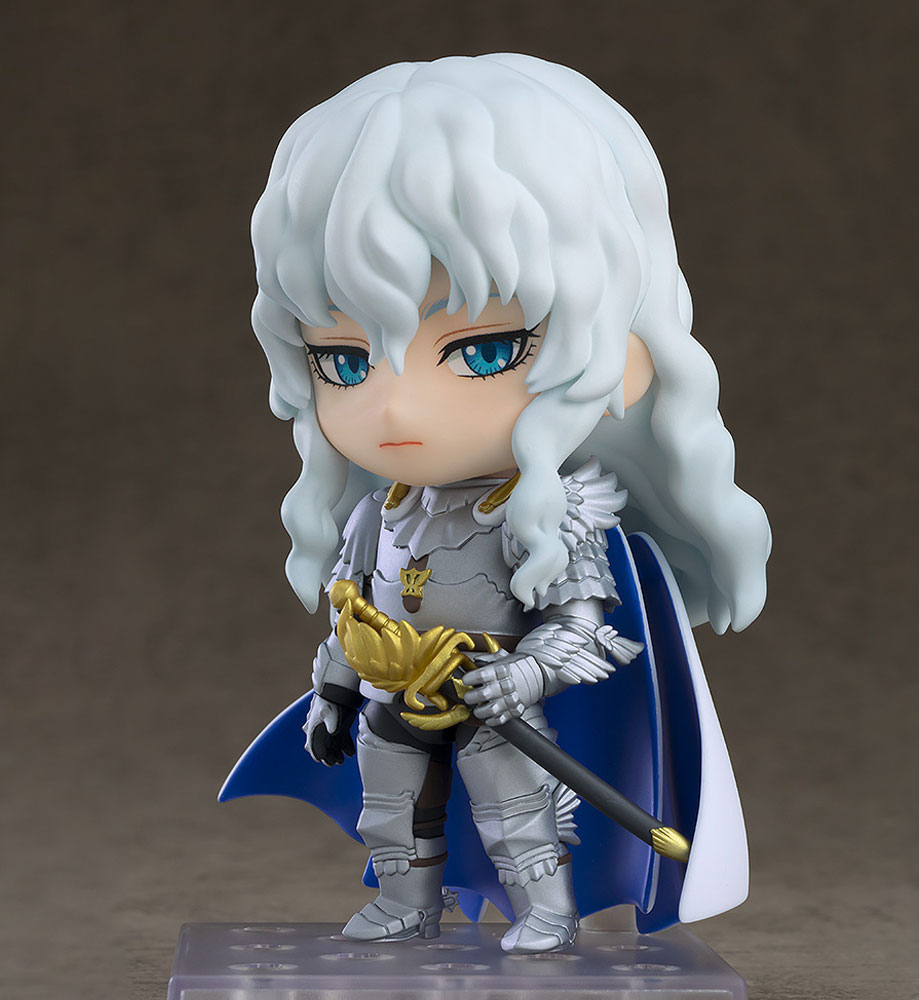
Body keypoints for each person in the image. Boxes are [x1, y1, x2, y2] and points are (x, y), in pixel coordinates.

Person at [233, 53, 771, 954]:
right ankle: (407, 901)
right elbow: (352, 606)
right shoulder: (378, 511)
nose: (395, 409)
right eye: (345, 360)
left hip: (494, 700)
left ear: (622, 355)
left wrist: (522, 676)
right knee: (390, 806)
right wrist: (333, 688)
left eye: (482, 351)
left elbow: (583, 624)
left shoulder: (549, 513)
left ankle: (549, 911)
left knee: (515, 811)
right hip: (391, 692)